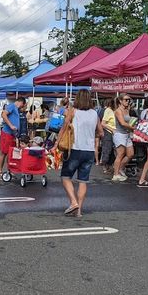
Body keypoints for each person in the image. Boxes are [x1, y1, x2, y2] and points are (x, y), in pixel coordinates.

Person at [58, 89, 103, 217]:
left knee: (65, 177)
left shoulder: (73, 111)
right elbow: (101, 133)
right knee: (83, 181)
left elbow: (64, 128)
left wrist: (56, 144)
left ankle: (73, 202)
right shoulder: (95, 114)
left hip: (75, 149)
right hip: (89, 151)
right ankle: (79, 211)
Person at [0, 97, 26, 181]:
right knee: (4, 152)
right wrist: (10, 125)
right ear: (21, 102)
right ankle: (0, 172)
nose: (22, 106)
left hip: (13, 134)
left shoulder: (16, 109)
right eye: (23, 105)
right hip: (7, 133)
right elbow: (3, 114)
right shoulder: (12, 106)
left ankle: (9, 171)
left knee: (11, 153)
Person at [112, 94, 135, 182]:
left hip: (127, 134)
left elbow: (129, 121)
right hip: (120, 134)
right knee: (120, 154)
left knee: (130, 154)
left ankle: (120, 168)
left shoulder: (127, 109)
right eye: (126, 100)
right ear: (120, 101)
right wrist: (134, 128)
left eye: (129, 100)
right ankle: (116, 174)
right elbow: (122, 123)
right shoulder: (118, 111)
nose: (128, 101)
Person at [100, 98, 116, 175]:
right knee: (107, 149)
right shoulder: (108, 110)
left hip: (115, 133)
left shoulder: (115, 111)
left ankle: (110, 165)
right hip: (108, 132)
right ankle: (105, 166)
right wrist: (112, 129)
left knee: (113, 151)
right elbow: (103, 123)